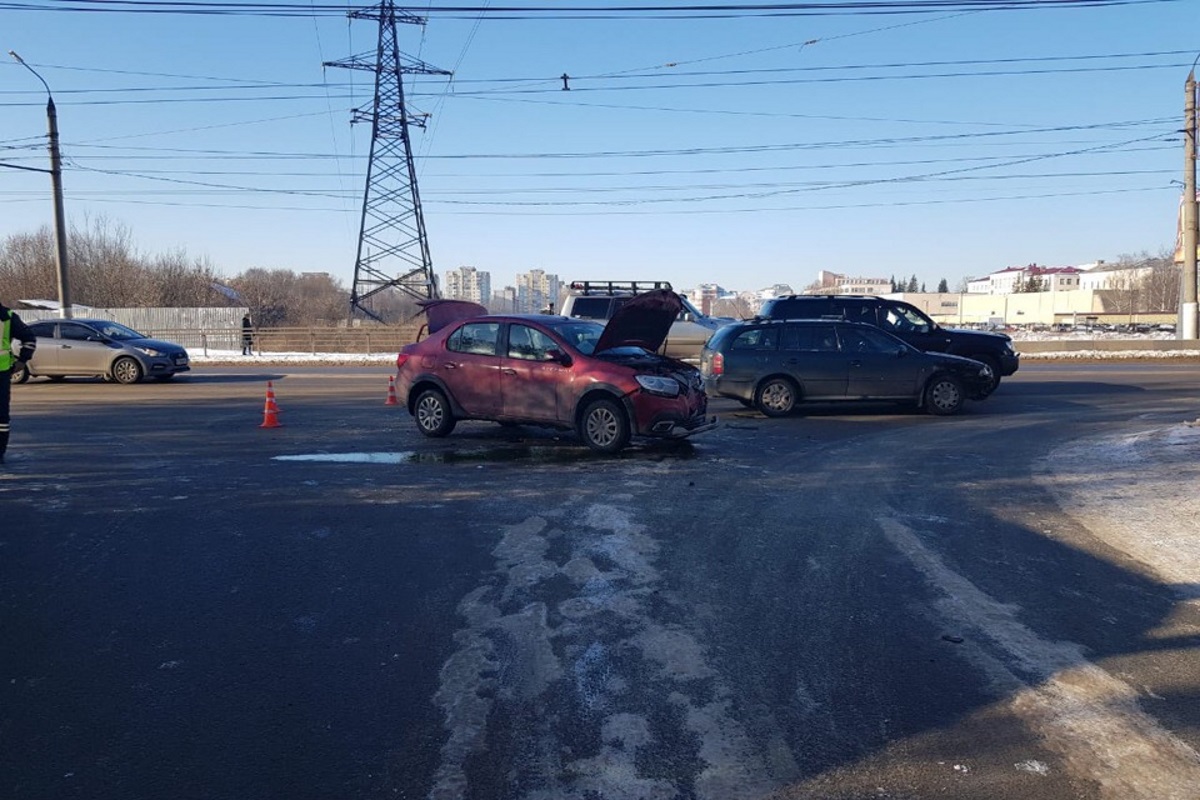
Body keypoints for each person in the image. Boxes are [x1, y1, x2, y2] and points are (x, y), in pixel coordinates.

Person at [1, 302, 38, 465]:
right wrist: (22, 360)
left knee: (1, 418)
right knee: (1, 418)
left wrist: (23, 360)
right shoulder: (7, 316)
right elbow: (29, 339)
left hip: (1, 374)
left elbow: (29, 339)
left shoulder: (8, 317)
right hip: (2, 374)